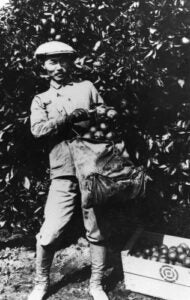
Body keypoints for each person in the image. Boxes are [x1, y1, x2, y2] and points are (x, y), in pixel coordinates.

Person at [28, 41, 109, 300]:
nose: (60, 66)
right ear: (43, 66)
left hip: (94, 167)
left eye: (64, 60)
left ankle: (96, 284)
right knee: (51, 230)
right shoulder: (41, 99)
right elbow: (37, 130)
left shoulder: (86, 87)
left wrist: (105, 114)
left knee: (97, 228)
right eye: (53, 61)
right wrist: (67, 118)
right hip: (62, 170)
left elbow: (107, 112)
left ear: (71, 62)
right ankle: (41, 282)